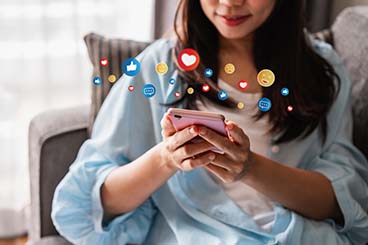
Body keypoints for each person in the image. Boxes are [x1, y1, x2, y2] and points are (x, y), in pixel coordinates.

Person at [52, 0, 368, 244]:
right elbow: (91, 204)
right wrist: (166, 158)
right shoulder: (158, 68)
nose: (229, 3)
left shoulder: (321, 69)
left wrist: (250, 168)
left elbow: (344, 200)